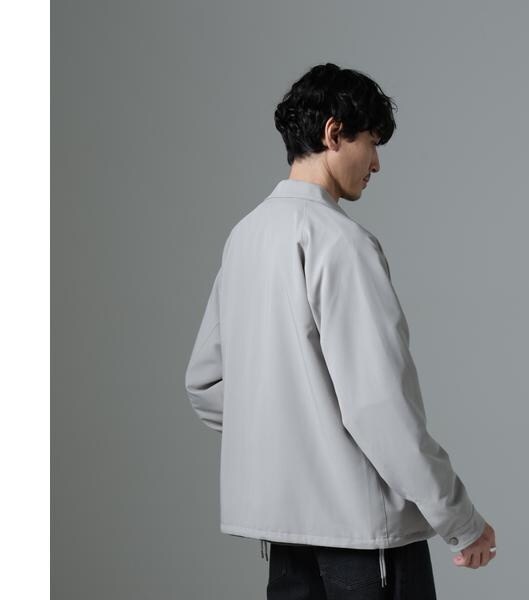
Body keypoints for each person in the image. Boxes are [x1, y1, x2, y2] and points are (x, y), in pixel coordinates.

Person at [185, 62, 496, 599]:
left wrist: (290, 437)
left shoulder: (245, 238)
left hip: (284, 537)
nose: (376, 163)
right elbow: (381, 409)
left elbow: (205, 383)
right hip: (363, 537)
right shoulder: (342, 243)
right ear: (334, 133)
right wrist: (461, 521)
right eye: (371, 142)